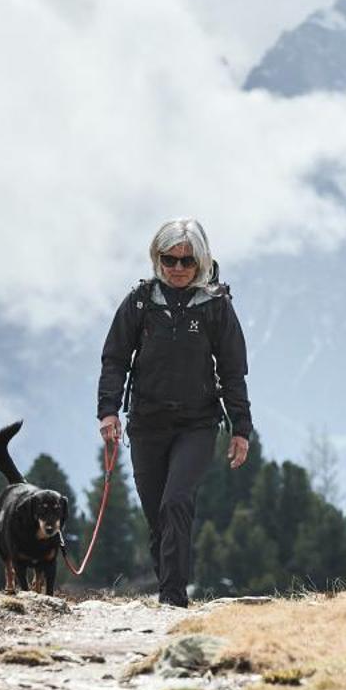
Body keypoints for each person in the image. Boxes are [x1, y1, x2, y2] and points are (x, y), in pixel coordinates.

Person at [97, 218, 251, 607]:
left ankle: (172, 597)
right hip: (147, 423)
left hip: (197, 423)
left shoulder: (216, 305)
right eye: (170, 259)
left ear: (201, 261)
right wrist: (108, 412)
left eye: (187, 261)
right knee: (157, 516)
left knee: (176, 502)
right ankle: (168, 586)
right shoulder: (140, 302)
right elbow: (114, 359)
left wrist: (240, 429)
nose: (178, 269)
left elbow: (233, 371)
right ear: (157, 258)